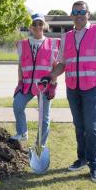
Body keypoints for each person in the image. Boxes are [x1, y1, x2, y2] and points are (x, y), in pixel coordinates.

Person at [42, 1, 96, 182]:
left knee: (91, 127)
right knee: (79, 126)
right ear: (71, 15)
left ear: (88, 14)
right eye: (75, 12)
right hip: (73, 88)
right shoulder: (66, 37)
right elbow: (63, 64)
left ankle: (94, 164)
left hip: (92, 88)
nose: (79, 14)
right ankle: (82, 158)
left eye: (82, 11)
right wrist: (50, 76)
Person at [11, 13, 60, 145]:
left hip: (45, 86)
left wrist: (53, 85)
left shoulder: (53, 44)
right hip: (26, 85)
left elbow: (56, 66)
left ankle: (40, 144)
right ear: (30, 27)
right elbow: (21, 65)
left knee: (44, 117)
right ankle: (22, 133)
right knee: (17, 105)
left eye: (40, 24)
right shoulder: (22, 44)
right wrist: (20, 82)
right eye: (34, 24)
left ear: (44, 26)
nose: (37, 26)